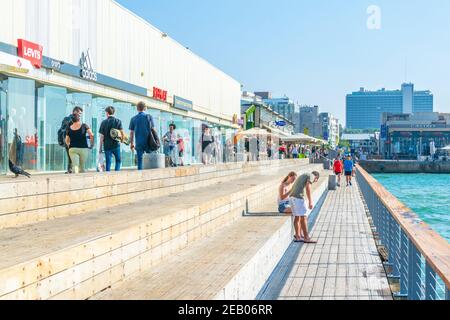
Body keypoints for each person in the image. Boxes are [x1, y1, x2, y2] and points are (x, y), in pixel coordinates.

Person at [289, 171, 320, 244]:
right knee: (304, 217)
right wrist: (310, 201)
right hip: (298, 197)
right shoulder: (311, 176)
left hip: (292, 197)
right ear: (316, 177)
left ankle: (298, 236)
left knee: (297, 217)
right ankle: (306, 237)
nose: (315, 182)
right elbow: (308, 187)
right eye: (316, 180)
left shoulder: (305, 174)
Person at [129, 101, 155, 170]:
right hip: (149, 142)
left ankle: (140, 175)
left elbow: (131, 133)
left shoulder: (133, 118)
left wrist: (131, 143)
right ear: (145, 108)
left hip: (139, 142)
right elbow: (153, 130)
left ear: (137, 108)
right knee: (150, 161)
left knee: (139, 161)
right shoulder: (149, 117)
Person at [98, 106, 124, 172]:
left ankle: (107, 176)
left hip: (107, 146)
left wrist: (100, 148)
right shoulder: (118, 121)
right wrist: (121, 141)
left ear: (107, 113)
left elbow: (101, 137)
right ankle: (116, 174)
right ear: (114, 112)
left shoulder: (103, 122)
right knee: (118, 160)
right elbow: (122, 133)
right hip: (116, 145)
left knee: (108, 162)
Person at [59, 107, 83, 173]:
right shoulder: (71, 119)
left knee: (71, 155)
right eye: (79, 113)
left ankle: (70, 169)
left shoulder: (66, 119)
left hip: (67, 140)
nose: (80, 115)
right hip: (71, 140)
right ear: (75, 112)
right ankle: (72, 169)